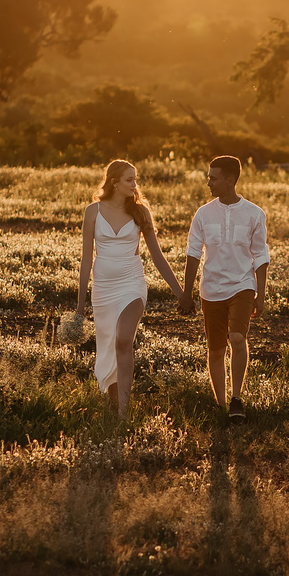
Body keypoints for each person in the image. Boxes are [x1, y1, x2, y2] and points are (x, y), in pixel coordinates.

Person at [77, 160, 184, 418]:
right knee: (108, 346)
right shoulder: (93, 211)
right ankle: (115, 405)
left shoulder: (140, 212)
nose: (134, 184)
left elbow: (157, 256)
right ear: (114, 182)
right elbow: (86, 259)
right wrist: (80, 304)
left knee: (124, 340)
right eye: (129, 179)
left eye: (135, 179)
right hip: (103, 290)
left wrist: (180, 293)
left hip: (132, 285)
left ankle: (123, 414)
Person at [177, 155, 270, 424]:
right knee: (216, 349)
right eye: (209, 177)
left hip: (242, 286)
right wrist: (187, 292)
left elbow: (260, 255)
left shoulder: (254, 214)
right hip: (211, 289)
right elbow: (193, 253)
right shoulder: (203, 214)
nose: (209, 183)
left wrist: (261, 295)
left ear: (230, 181)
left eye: (213, 178)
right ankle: (221, 405)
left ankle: (236, 398)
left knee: (237, 338)